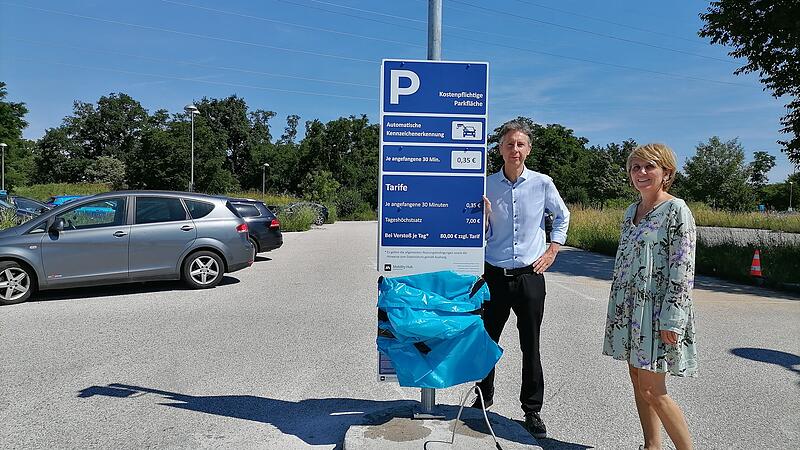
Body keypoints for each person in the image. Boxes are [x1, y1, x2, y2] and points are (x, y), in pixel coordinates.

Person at [475, 120, 570, 439]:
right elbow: (484, 235)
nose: (514, 149)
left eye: (520, 144)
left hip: (530, 277)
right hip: (494, 275)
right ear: (499, 149)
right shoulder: (486, 185)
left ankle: (532, 411)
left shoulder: (542, 183)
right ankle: (482, 399)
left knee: (531, 345)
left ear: (528, 149)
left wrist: (553, 249)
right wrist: (484, 217)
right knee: (487, 341)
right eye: (508, 144)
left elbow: (562, 215)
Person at [602, 143, 697, 450]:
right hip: (630, 310)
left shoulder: (676, 210)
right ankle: (651, 446)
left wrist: (673, 318)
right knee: (637, 382)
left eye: (649, 167)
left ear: (666, 172)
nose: (641, 173)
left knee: (653, 390)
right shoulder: (632, 211)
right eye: (635, 168)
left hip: (658, 312)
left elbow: (682, 268)